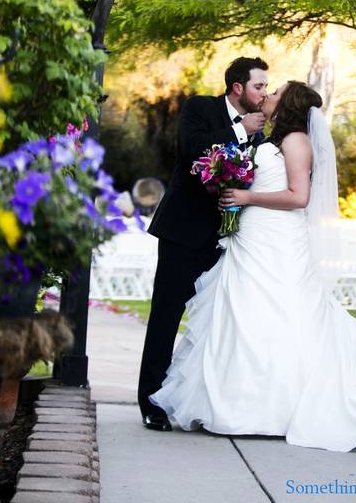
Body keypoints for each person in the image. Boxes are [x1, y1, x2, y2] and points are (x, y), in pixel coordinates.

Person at [149, 81, 356, 451]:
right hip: (253, 238)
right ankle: (231, 404)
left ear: (289, 103)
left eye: (275, 91)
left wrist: (247, 195)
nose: (267, 95)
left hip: (277, 242)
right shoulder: (268, 140)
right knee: (242, 314)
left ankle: (273, 407)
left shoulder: (296, 140)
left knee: (278, 314)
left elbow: (300, 196)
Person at [139, 57, 269, 432]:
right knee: (166, 317)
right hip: (183, 233)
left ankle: (201, 401)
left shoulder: (260, 135)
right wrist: (240, 131)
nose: (263, 93)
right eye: (259, 86)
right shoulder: (201, 107)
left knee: (216, 324)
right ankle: (151, 402)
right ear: (237, 88)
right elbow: (192, 150)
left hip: (225, 240)